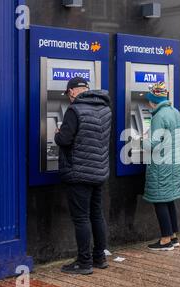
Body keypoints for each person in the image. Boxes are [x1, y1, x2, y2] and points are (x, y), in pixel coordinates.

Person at [55, 77, 112, 275]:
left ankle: (84, 262)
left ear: (71, 91)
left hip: (78, 171)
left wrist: (57, 132)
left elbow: (64, 139)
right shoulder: (105, 108)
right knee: (97, 214)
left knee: (81, 218)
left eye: (68, 94)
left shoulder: (74, 110)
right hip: (99, 171)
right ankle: (99, 257)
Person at [142, 82, 180, 251]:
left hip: (162, 164)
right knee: (169, 200)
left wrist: (139, 140)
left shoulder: (158, 116)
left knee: (160, 200)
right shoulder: (175, 112)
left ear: (153, 100)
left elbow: (154, 143)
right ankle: (174, 236)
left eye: (149, 100)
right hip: (175, 162)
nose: (148, 103)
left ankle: (165, 240)